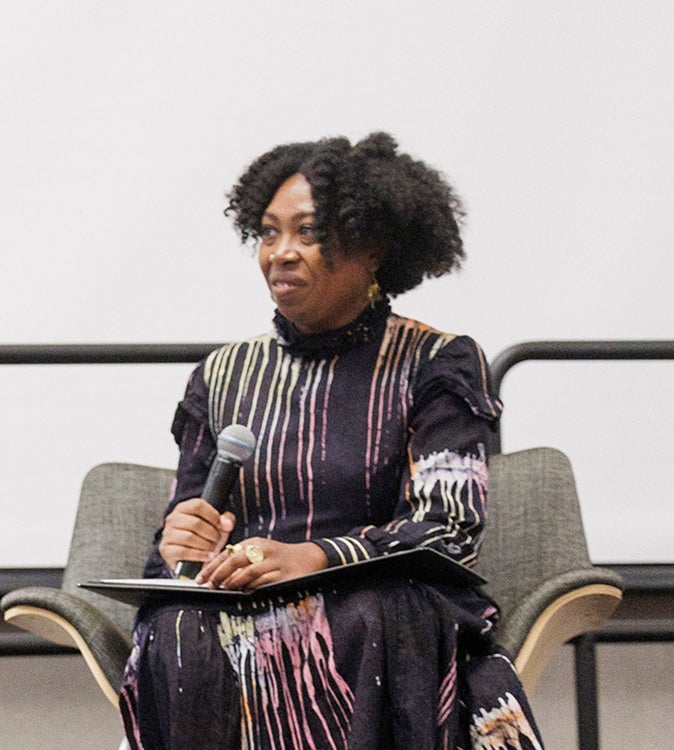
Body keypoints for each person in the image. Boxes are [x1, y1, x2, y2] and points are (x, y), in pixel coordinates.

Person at [119, 133, 544, 749]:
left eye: (309, 233)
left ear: (372, 247)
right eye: (267, 233)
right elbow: (185, 543)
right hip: (243, 606)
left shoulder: (433, 362)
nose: (280, 254)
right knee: (177, 624)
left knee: (349, 622)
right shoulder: (222, 375)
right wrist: (182, 543)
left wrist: (315, 557)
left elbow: (449, 529)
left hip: (378, 603)